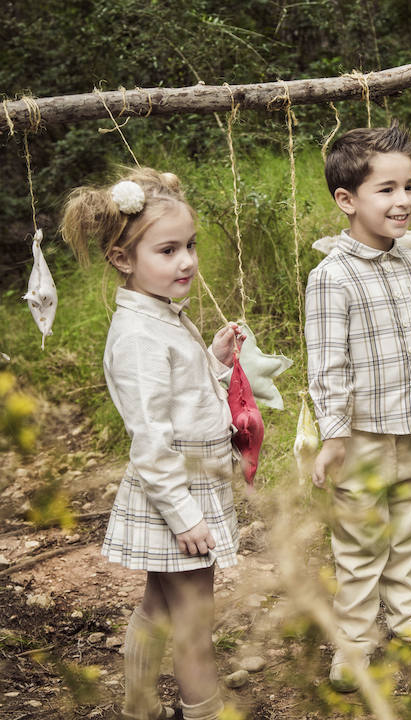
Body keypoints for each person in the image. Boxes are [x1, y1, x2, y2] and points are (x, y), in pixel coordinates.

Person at [61, 168, 243, 720]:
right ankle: (204, 710)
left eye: (189, 246)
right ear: (123, 258)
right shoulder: (139, 336)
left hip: (181, 486)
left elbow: (181, 398)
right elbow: (151, 435)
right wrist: (185, 516)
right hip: (175, 493)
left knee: (161, 604)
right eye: (167, 250)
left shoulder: (161, 315)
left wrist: (214, 360)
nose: (186, 261)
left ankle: (139, 707)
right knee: (193, 620)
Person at [306, 124, 411, 692]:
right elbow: (327, 367)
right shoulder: (331, 278)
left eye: (410, 187)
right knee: (361, 541)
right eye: (387, 190)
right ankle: (353, 642)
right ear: (347, 200)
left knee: (408, 529)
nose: (404, 202)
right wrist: (334, 435)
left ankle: (410, 620)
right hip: (364, 436)